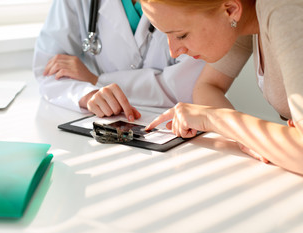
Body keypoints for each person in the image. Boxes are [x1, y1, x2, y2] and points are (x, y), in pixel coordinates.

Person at [141, 0, 303, 175]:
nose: (174, 51)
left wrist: (216, 119)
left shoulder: (283, 10)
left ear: (231, 9)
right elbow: (207, 86)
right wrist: (246, 137)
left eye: (181, 35)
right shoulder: (247, 16)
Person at [33, 0, 205, 122]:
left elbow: (189, 85)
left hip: (174, 124)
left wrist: (96, 81)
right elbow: (49, 68)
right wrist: (86, 94)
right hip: (102, 122)